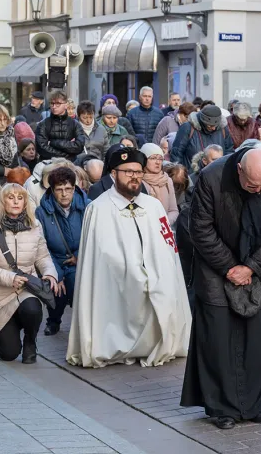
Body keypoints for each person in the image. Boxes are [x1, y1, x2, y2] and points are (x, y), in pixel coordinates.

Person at [181, 147, 261, 429]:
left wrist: (251, 267)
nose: (257, 191)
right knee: (217, 335)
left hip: (256, 265)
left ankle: (254, 405)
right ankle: (221, 406)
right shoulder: (211, 177)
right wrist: (230, 267)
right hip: (215, 263)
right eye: (252, 184)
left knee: (254, 337)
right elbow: (200, 229)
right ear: (239, 170)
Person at [67, 147, 191, 367]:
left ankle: (156, 342)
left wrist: (157, 272)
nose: (134, 177)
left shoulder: (154, 206)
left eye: (137, 171)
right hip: (116, 277)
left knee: (164, 287)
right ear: (113, 174)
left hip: (154, 273)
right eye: (128, 171)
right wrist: (135, 271)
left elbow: (167, 247)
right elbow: (101, 256)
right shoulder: (99, 209)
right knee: (135, 285)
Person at [0, 183, 60, 363]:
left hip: (26, 288)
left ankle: (30, 341)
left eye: (20, 198)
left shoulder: (35, 225)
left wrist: (50, 274)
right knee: (9, 354)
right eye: (10, 198)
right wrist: (9, 277)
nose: (15, 202)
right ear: (2, 201)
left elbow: (43, 256)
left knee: (33, 308)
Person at [34, 167, 88, 337]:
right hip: (54, 258)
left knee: (74, 284)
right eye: (59, 189)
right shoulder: (41, 212)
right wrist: (55, 273)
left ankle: (83, 323)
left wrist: (79, 255)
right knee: (55, 287)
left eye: (68, 189)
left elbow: (94, 235)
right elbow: (41, 244)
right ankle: (54, 320)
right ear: (52, 190)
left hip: (80, 259)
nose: (64, 194)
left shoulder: (88, 206)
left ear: (74, 188)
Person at [170, 104, 234, 169]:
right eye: (210, 126)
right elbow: (176, 154)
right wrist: (180, 175)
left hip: (216, 174)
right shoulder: (187, 128)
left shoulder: (222, 129)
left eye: (215, 125)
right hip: (192, 175)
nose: (214, 128)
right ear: (203, 121)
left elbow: (229, 151)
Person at [35, 90, 87, 162]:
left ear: (65, 105)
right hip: (48, 164)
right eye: (52, 103)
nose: (54, 107)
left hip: (70, 164)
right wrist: (64, 155)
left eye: (58, 104)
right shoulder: (43, 124)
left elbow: (79, 146)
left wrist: (53, 143)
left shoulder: (75, 124)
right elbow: (41, 148)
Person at [137, 143, 179, 225]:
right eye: (153, 158)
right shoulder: (138, 180)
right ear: (143, 160)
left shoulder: (167, 180)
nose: (158, 162)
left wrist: (164, 223)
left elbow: (173, 210)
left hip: (165, 228)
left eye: (160, 159)